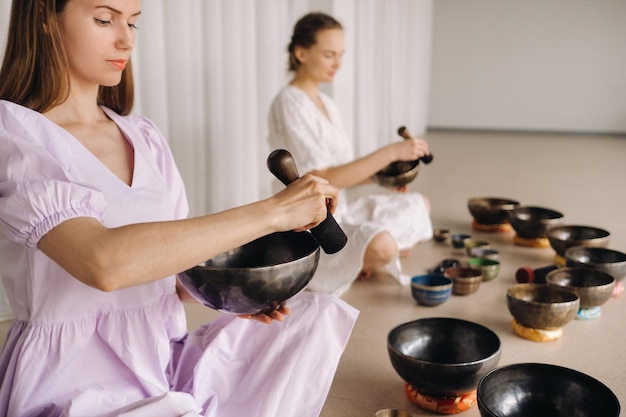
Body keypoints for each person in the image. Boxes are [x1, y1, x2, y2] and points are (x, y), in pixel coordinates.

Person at [0, 1, 358, 416]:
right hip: (73, 383)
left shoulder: (143, 137)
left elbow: (170, 274)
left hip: (156, 361)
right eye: (104, 19)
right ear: (45, 19)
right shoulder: (17, 135)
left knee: (314, 319)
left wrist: (241, 290)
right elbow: (104, 262)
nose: (126, 39)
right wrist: (274, 211)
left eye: (133, 22)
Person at [268, 12, 433, 296]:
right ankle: (361, 258)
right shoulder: (289, 101)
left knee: (421, 204)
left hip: (341, 208)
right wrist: (392, 151)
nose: (338, 63)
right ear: (301, 52)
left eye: (341, 55)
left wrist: (382, 180)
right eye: (330, 54)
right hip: (312, 223)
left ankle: (361, 257)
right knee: (384, 245)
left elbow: (340, 175)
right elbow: (322, 177)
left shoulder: (327, 104)